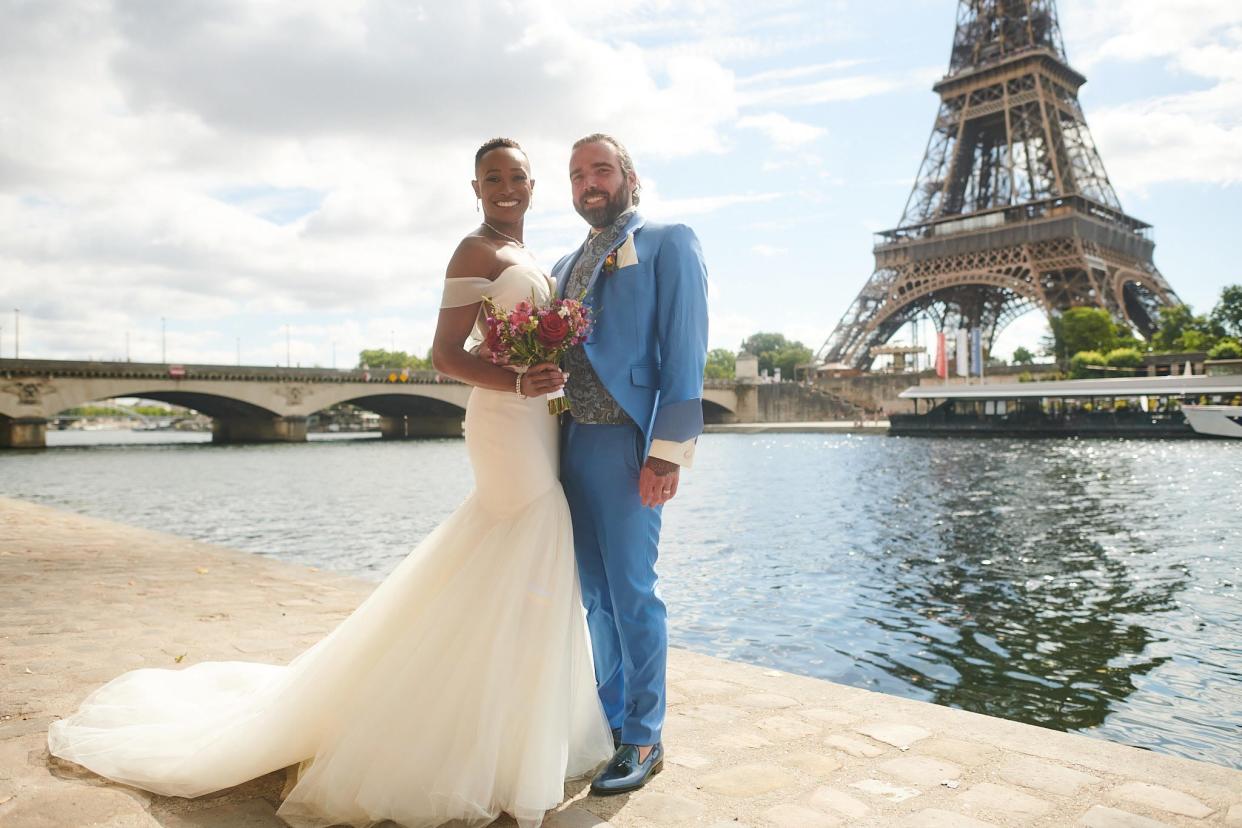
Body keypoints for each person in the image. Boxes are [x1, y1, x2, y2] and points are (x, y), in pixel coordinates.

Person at [47, 138, 614, 828]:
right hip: (502, 421)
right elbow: (443, 355)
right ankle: (479, 735)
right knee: (532, 532)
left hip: (535, 422)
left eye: (517, 177)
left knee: (515, 556)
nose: (506, 187)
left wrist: (542, 371)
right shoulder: (475, 251)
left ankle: (511, 728)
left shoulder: (528, 255)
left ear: (532, 185)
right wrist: (519, 378)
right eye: (492, 177)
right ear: (475, 188)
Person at [554, 134, 709, 795]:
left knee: (633, 594)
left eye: (601, 169)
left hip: (628, 442)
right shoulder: (563, 263)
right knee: (595, 596)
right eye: (577, 174)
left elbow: (685, 349)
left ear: (630, 177)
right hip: (567, 444)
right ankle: (611, 722)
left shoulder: (668, 241)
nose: (589, 182)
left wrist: (666, 452)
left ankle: (645, 737)